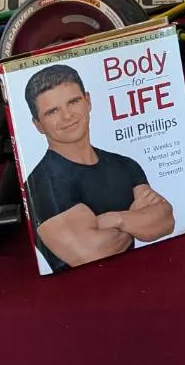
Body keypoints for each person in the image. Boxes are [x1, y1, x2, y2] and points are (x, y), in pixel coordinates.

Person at [22, 63, 174, 271]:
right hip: (84, 289)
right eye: (52, 111)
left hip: (143, 276)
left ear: (88, 101)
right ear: (38, 124)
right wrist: (136, 217)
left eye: (73, 102)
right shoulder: (40, 184)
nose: (67, 116)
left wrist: (114, 219)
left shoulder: (125, 164)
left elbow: (165, 220)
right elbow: (90, 253)